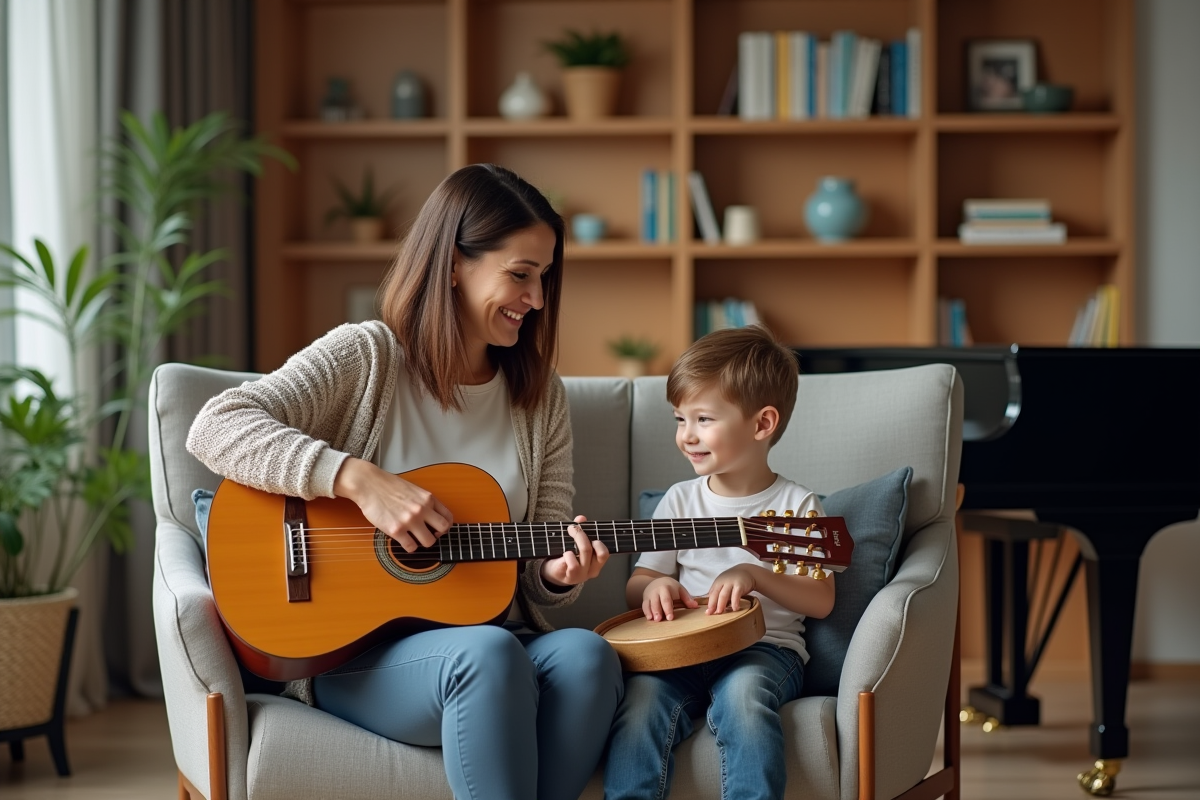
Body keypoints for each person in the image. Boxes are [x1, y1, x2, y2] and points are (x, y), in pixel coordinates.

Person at [186, 163, 623, 800]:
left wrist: (557, 573)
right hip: (356, 655)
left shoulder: (540, 398)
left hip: (494, 641)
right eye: (520, 274)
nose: (536, 299)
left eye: (544, 278)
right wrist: (358, 479)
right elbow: (216, 424)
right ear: (454, 265)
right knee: (487, 654)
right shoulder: (366, 356)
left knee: (589, 657)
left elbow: (534, 564)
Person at [603, 325, 836, 800]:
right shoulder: (679, 499)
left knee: (744, 699)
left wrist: (756, 575)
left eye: (703, 419)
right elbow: (640, 581)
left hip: (765, 650)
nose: (686, 435)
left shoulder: (797, 505)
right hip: (679, 650)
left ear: (762, 424)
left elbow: (821, 599)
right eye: (679, 419)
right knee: (641, 702)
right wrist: (654, 588)